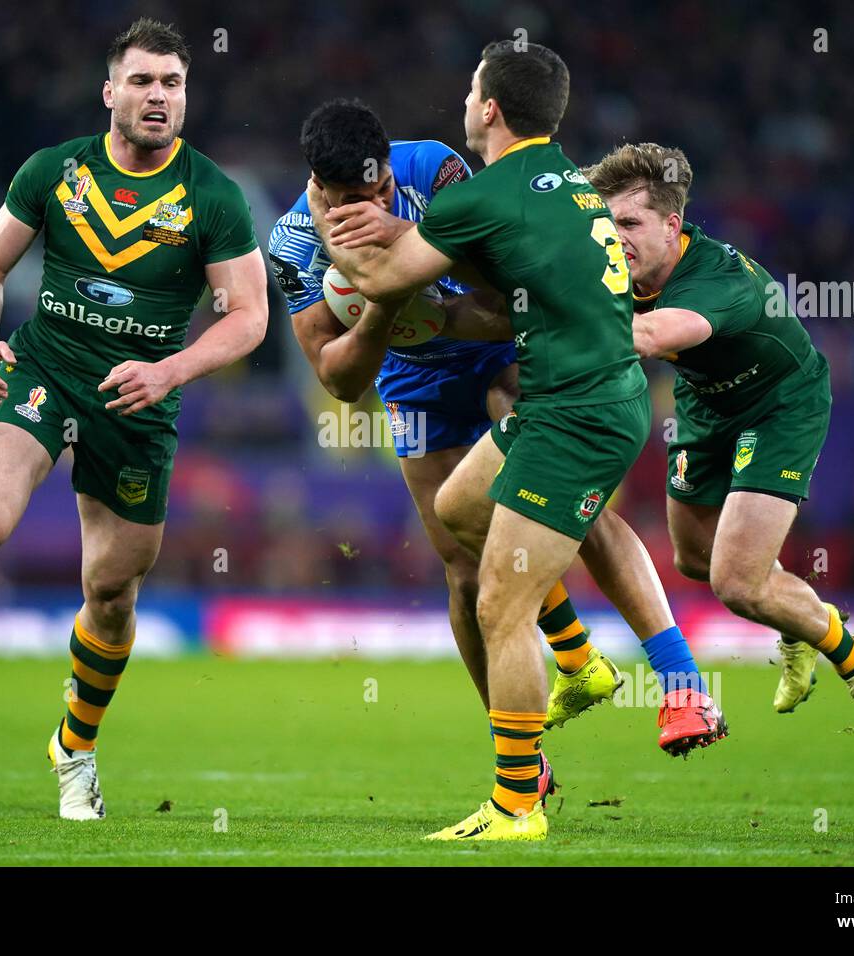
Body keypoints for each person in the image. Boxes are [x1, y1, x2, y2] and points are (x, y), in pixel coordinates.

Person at [0, 18, 270, 819]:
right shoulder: (54, 171)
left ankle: (74, 749)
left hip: (139, 398)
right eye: (142, 81)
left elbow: (248, 318)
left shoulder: (213, 196)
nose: (158, 96)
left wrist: (168, 369)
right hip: (45, 369)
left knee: (111, 593)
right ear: (110, 92)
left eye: (172, 82)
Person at [309, 41, 723, 842]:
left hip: (577, 411)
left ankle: (517, 805)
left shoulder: (485, 194)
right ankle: (588, 659)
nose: (464, 102)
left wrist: (333, 229)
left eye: (471, 89)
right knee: (462, 506)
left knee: (499, 603)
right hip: (582, 394)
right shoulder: (571, 182)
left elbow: (384, 284)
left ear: (490, 108)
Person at [585, 142, 854, 753]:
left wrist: (556, 326)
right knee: (691, 558)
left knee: (736, 582)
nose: (615, 238)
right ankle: (791, 620)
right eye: (607, 224)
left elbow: (651, 335)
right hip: (707, 404)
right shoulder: (619, 270)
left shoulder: (720, 281)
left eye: (628, 223)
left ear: (671, 226)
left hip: (780, 405)